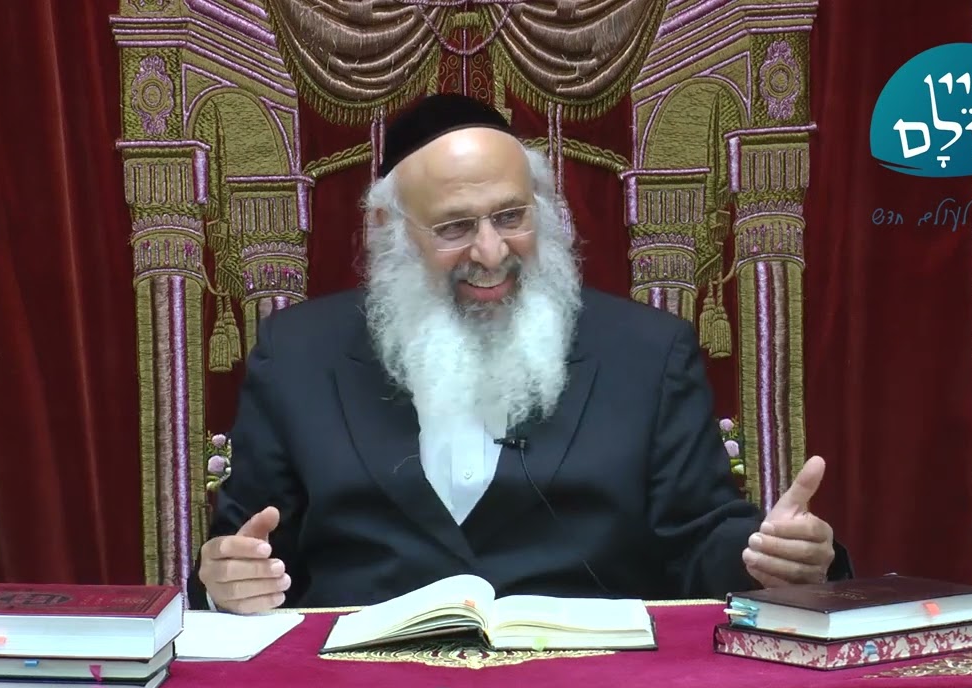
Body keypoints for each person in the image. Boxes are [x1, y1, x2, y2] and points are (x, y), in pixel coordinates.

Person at [191, 93, 850, 614]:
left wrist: (772, 558)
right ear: (390, 230)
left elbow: (700, 538)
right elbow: (244, 551)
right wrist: (226, 580)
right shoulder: (298, 356)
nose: (490, 252)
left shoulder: (648, 354)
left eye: (510, 217)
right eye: (455, 227)